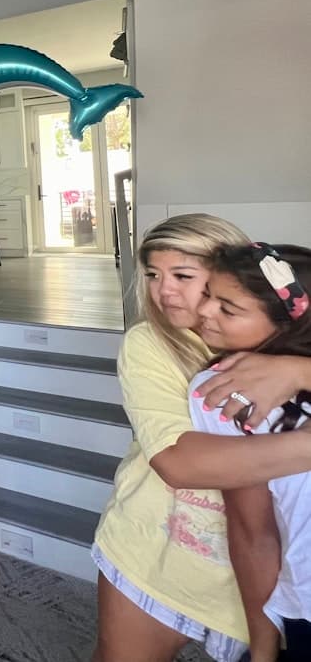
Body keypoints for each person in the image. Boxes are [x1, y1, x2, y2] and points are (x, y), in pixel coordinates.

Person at [91, 214, 311, 662]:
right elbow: (179, 463)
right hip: (159, 552)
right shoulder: (150, 344)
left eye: (184, 276)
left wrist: (299, 369)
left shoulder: (287, 345)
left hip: (262, 578)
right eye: (153, 275)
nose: (164, 290)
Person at [191, 243, 311, 662]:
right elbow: (252, 530)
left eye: (228, 307)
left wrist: (299, 371)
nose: (203, 311)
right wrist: (262, 650)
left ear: (285, 324)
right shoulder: (222, 390)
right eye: (207, 295)